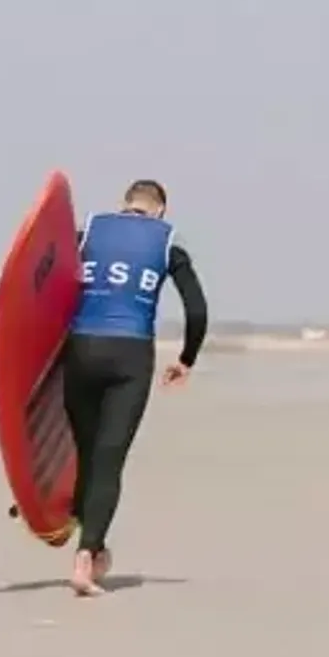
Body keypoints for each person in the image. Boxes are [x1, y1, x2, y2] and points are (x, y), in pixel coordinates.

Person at [64, 178, 209, 597]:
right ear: (160, 210)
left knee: (87, 452)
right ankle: (85, 558)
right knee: (109, 461)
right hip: (130, 356)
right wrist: (186, 359)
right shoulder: (168, 242)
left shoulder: (86, 231)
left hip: (79, 351)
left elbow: (43, 284)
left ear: (124, 204)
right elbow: (197, 310)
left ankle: (86, 533)